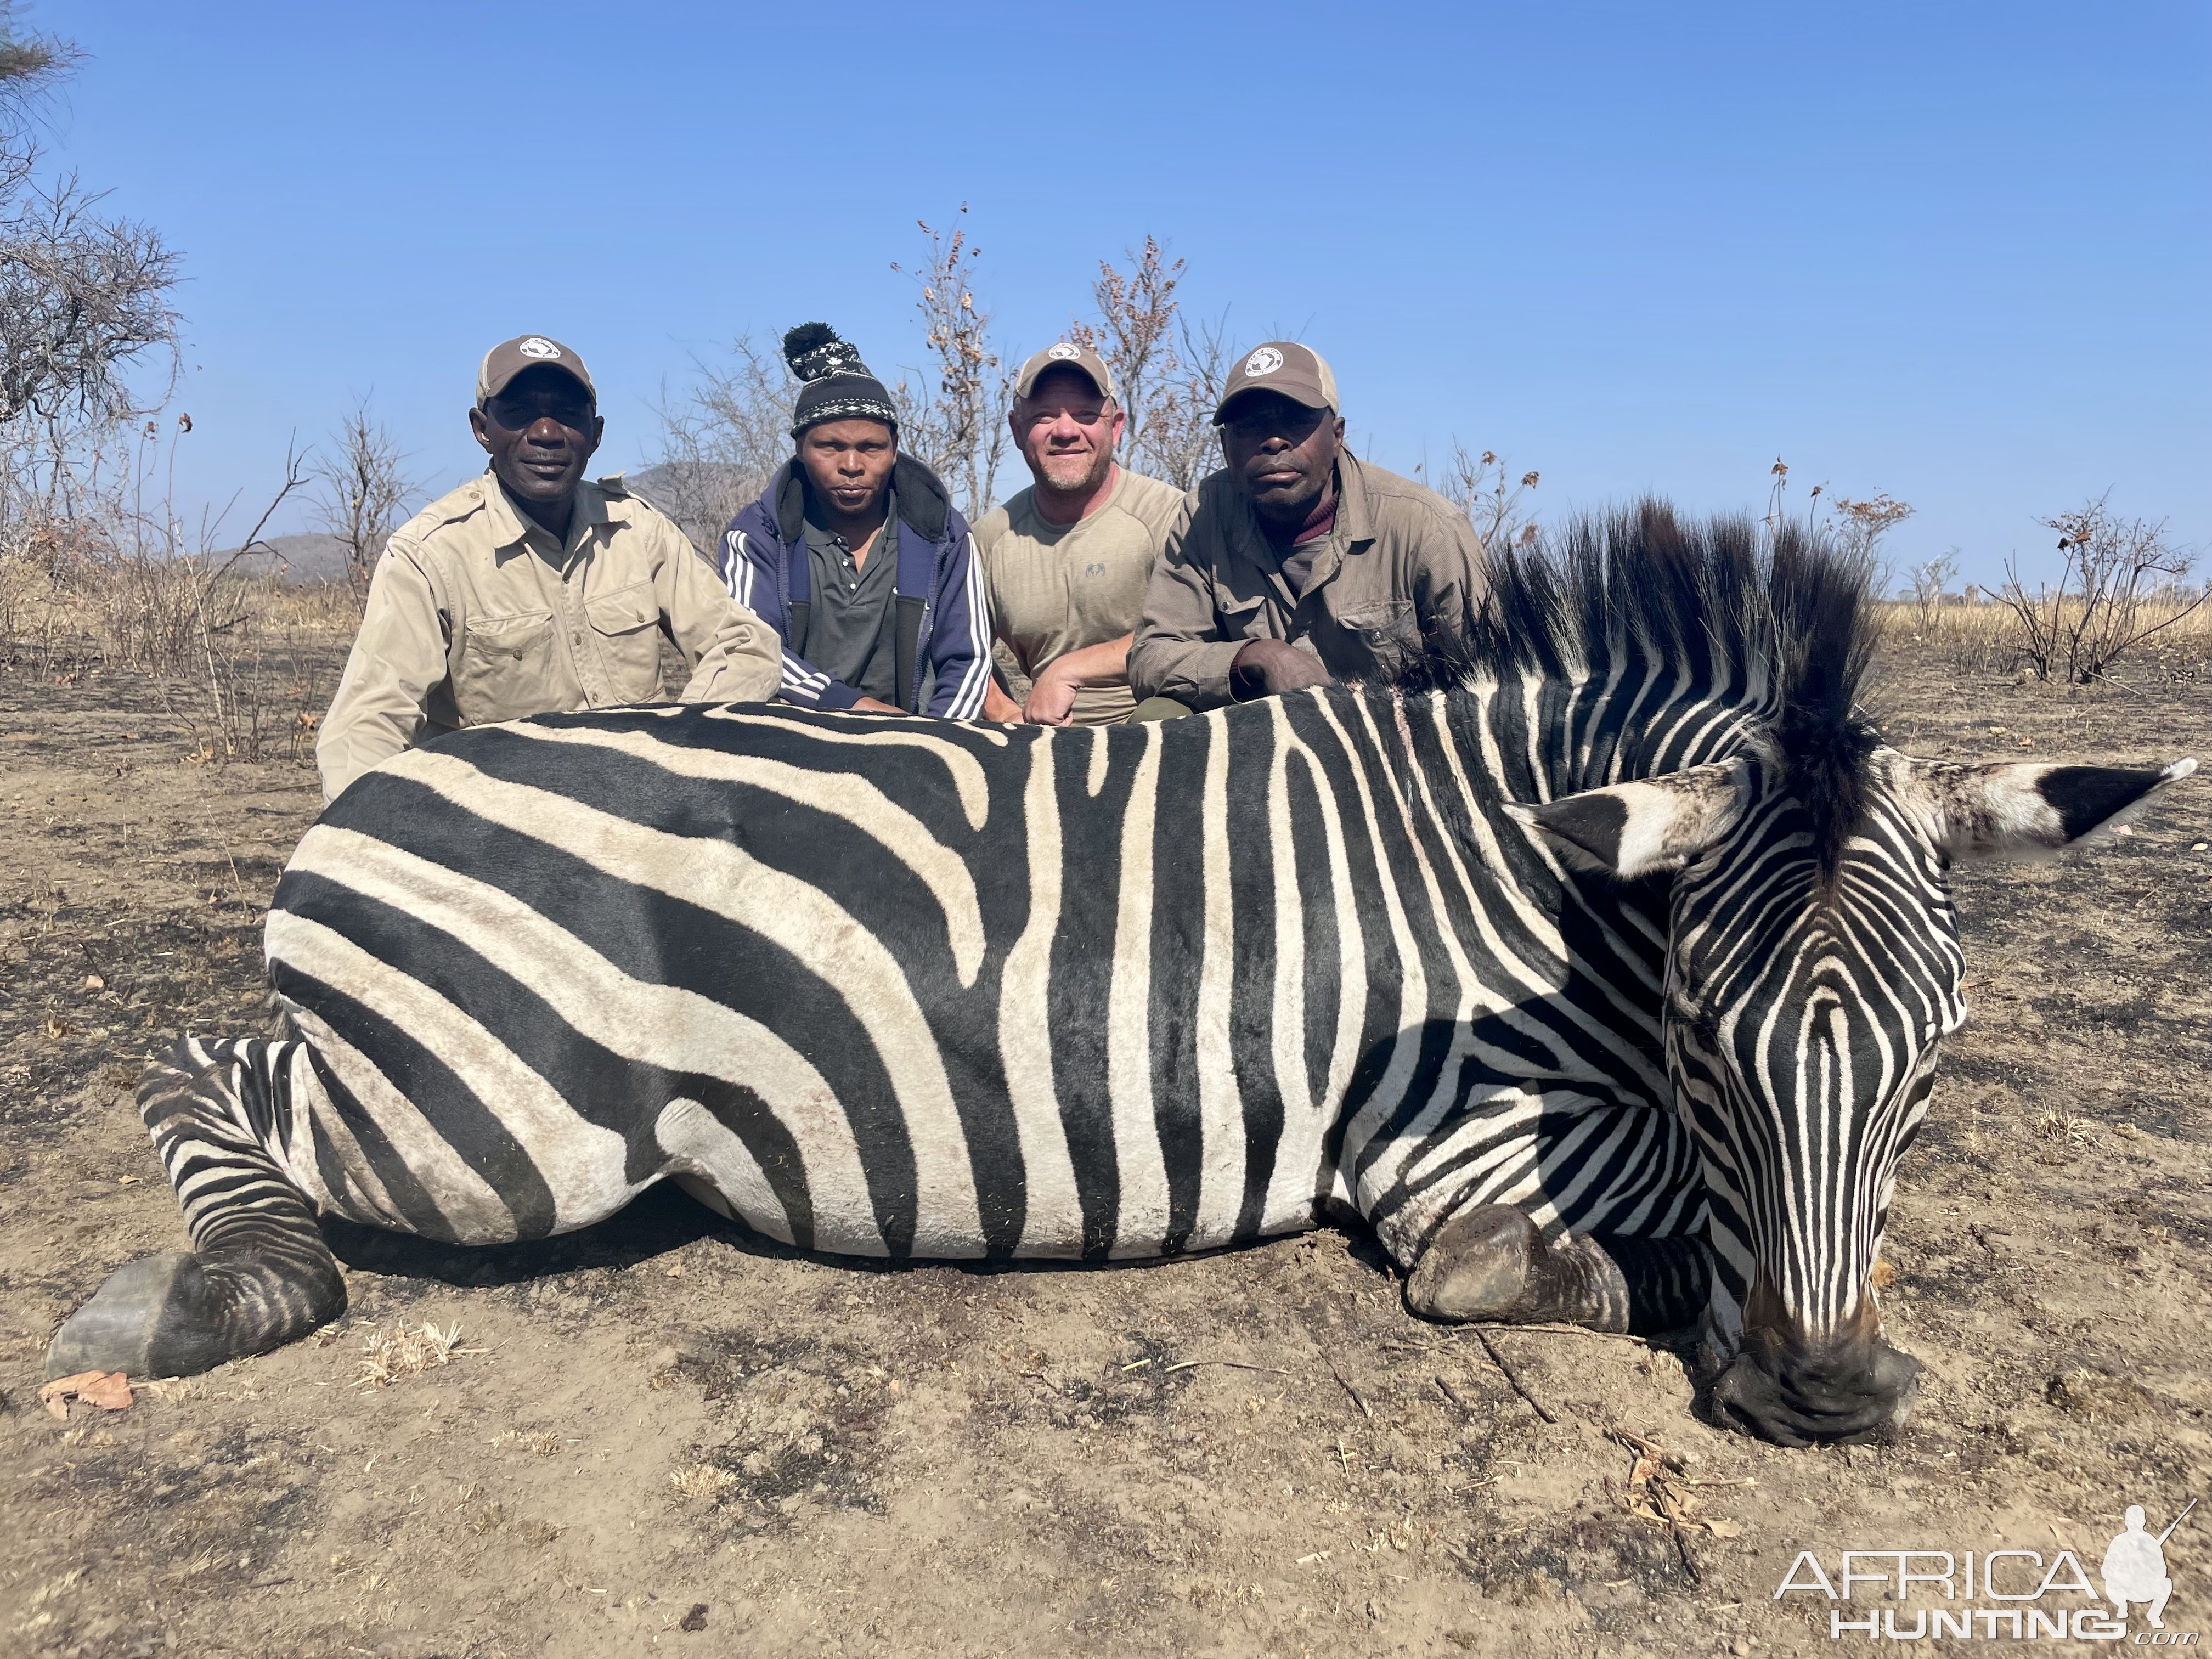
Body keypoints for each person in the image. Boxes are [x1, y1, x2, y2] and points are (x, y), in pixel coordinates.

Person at [317, 334, 782, 802]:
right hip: (504, 822)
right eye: (519, 413)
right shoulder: (430, 555)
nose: (546, 433)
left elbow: (743, 643)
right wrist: (371, 840)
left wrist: (674, 751)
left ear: (595, 434)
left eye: (567, 414)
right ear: (482, 429)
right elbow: (366, 724)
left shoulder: (636, 529)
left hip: (641, 802)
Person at [1126, 340, 1488, 715]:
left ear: (1336, 436)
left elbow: (1489, 681)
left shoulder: (1427, 527)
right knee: (1158, 715)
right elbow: (1152, 658)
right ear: (1224, 445)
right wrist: (1260, 657)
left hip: (1392, 751)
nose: (1274, 441)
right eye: (1250, 425)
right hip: (1256, 743)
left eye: (1296, 420)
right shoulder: (1203, 514)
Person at [719, 324, 990, 719]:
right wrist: (855, 707)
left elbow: (970, 658)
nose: (851, 465)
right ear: (800, 448)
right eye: (830, 447)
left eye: (870, 448)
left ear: (894, 450)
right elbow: (754, 649)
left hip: (914, 745)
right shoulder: (758, 534)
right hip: (789, 745)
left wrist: (936, 743)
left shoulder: (943, 534)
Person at [974, 341, 1186, 725]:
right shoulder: (988, 539)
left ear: (1116, 427)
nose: (1066, 431)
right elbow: (958, 650)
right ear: (1017, 430)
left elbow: (1193, 635)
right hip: (1041, 735)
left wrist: (1067, 670)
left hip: (1157, 727)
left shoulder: (1171, 515)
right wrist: (1004, 710)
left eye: (1086, 415)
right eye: (1044, 417)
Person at [2102, 1505, 2175, 1628]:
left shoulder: (2150, 1541)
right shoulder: (2118, 1541)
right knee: (2110, 1584)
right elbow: (2106, 1569)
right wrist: (2122, 1571)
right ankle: (2122, 1605)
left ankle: (2154, 1615)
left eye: (2137, 1521)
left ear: (2143, 1522)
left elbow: (2162, 1570)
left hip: (2144, 1588)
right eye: (2131, 1521)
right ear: (2126, 1522)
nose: (2134, 1525)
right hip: (2123, 1588)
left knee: (2166, 1584)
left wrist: (2146, 1566)